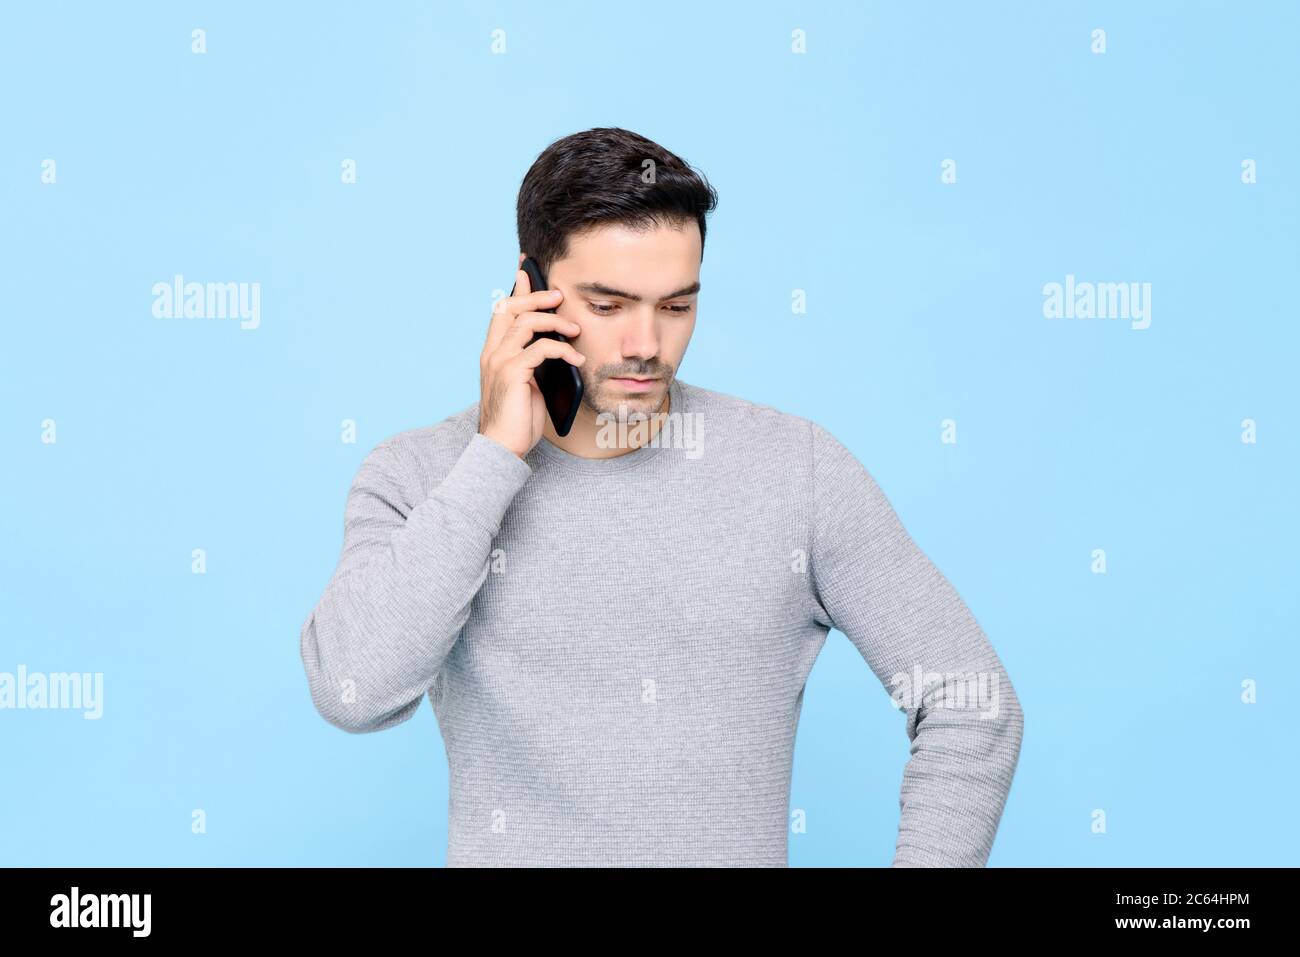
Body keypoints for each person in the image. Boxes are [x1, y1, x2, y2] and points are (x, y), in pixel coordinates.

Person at [299, 127, 1023, 867]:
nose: (646, 344)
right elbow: (353, 690)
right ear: (527, 290)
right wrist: (495, 456)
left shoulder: (794, 472)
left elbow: (972, 703)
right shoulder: (423, 474)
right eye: (608, 306)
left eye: (675, 307)